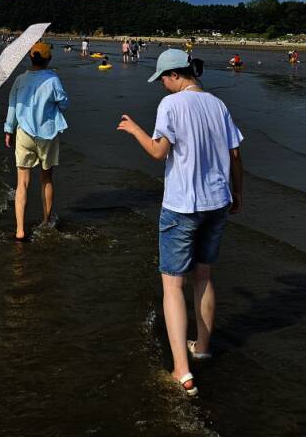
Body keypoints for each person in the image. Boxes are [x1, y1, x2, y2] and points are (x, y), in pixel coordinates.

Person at [117, 50, 243, 397]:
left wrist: (134, 129)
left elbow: (159, 152)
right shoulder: (217, 104)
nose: (161, 84)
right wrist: (237, 193)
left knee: (173, 285)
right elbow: (235, 154)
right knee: (203, 276)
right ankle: (201, 347)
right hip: (218, 201)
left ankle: (181, 371)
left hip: (183, 205)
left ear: (175, 75)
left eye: (162, 78)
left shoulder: (171, 105)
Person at [4, 41, 69, 241]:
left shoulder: (19, 80)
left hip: (24, 133)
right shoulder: (53, 79)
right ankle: (46, 221)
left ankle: (20, 230)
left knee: (22, 182)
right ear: (49, 59)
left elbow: (12, 106)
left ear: (30, 57)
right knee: (46, 179)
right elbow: (64, 104)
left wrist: (8, 130)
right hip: (47, 133)